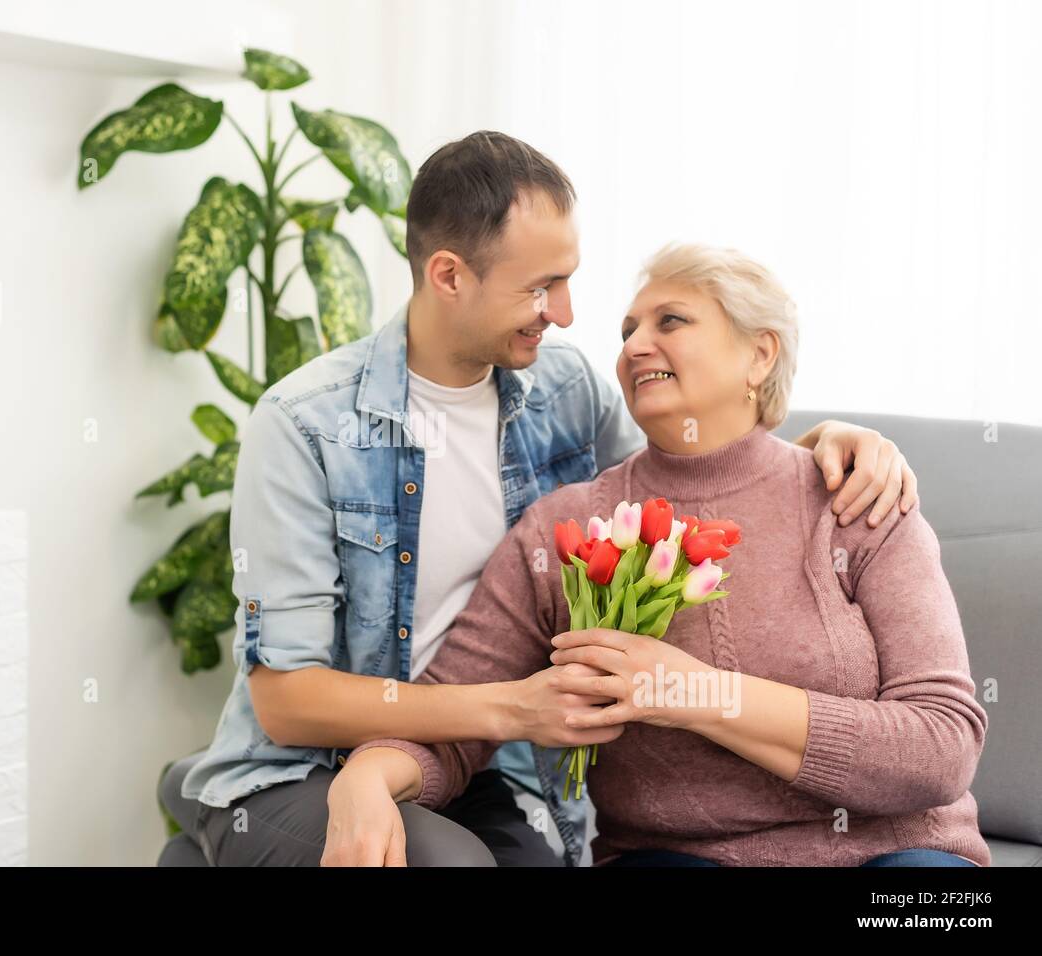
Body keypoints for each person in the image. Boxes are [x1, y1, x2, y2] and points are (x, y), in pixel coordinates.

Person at [177, 132, 920, 867]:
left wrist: (819, 444)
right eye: (538, 288)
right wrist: (506, 708)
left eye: (567, 280)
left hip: (472, 764)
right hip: (303, 766)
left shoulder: (565, 392)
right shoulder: (306, 424)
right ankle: (200, 816)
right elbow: (287, 700)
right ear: (448, 276)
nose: (564, 313)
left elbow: (673, 501)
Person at [325, 242, 988, 867]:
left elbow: (940, 748)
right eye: (626, 331)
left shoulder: (857, 500)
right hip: (675, 858)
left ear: (760, 356)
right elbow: (455, 715)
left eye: (671, 320)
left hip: (894, 855)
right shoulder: (566, 529)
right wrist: (367, 777)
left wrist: (686, 689)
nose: (636, 346)